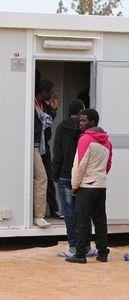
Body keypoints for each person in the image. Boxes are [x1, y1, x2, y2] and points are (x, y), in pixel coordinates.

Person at [66, 108, 113, 264]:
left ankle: (80, 254)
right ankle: (103, 253)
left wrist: (74, 185)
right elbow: (108, 165)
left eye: (83, 120)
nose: (80, 123)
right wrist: (99, 176)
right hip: (101, 185)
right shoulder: (107, 141)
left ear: (92, 122)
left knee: (82, 221)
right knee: (100, 220)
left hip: (86, 186)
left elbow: (79, 165)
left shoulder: (85, 139)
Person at [53, 100, 96, 258]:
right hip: (83, 175)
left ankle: (73, 247)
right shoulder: (84, 129)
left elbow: (57, 153)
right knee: (83, 212)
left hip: (65, 175)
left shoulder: (61, 127)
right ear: (80, 111)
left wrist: (55, 174)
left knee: (69, 213)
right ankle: (86, 247)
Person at [33, 80, 59, 228]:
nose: (51, 94)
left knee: (46, 177)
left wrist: (53, 110)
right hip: (34, 146)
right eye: (50, 92)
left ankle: (51, 210)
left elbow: (48, 123)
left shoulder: (44, 105)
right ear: (44, 92)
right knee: (42, 178)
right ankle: (38, 216)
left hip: (42, 146)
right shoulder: (32, 103)